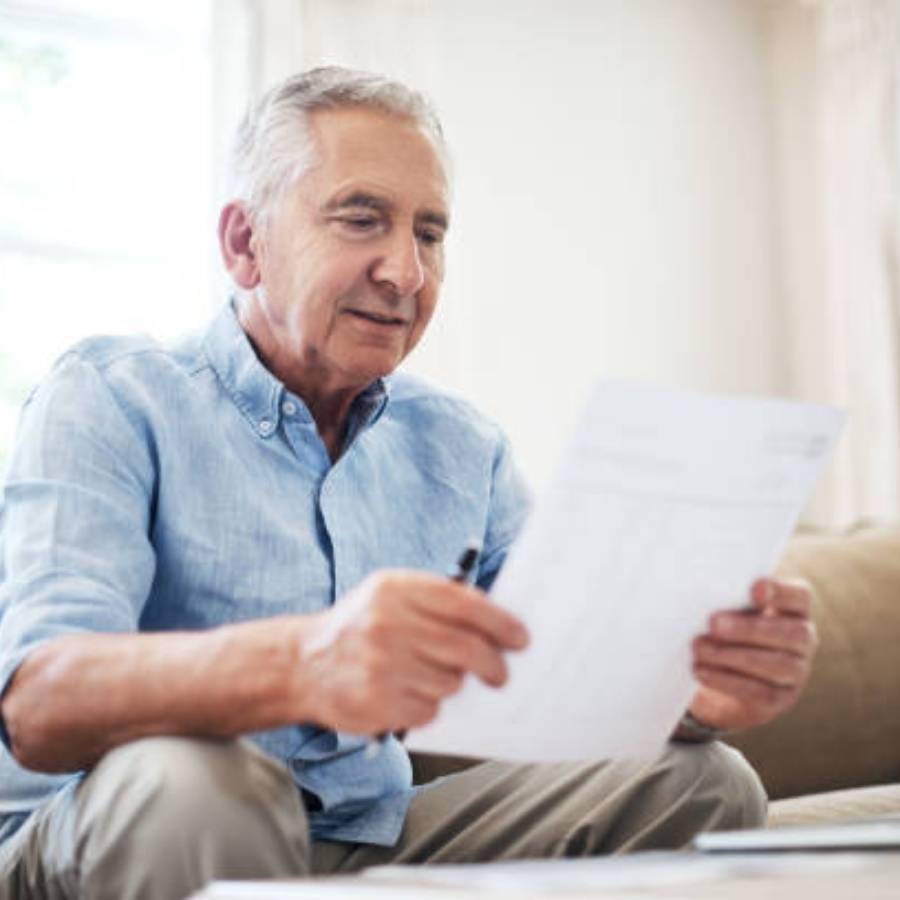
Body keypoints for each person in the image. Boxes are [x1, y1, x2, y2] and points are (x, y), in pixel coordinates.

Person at [0, 67, 817, 899]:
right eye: (362, 220)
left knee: (706, 781)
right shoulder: (108, 395)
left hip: (369, 840)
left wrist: (694, 694)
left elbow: (556, 680)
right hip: (121, 827)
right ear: (245, 245)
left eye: (429, 234)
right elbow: (39, 706)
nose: (407, 273)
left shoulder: (462, 447)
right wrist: (303, 660)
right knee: (195, 783)